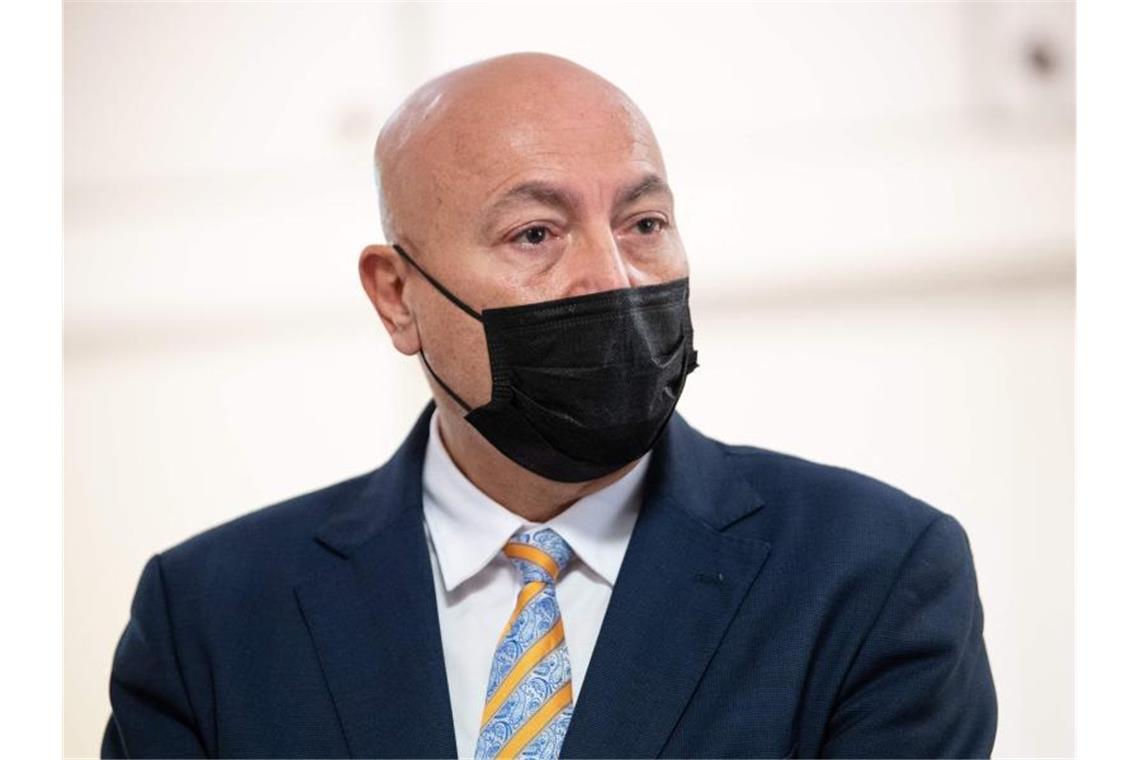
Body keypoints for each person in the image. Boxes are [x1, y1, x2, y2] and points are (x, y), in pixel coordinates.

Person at [101, 52, 997, 759]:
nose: (610, 276)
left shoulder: (875, 575)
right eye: (535, 233)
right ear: (397, 297)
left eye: (644, 224)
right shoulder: (210, 618)